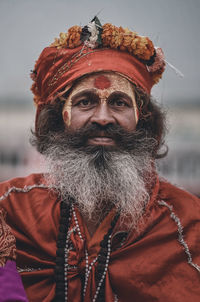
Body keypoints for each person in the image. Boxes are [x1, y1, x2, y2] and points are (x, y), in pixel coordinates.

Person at [0, 17, 200, 302]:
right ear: (59, 121)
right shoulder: (10, 211)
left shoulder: (189, 224)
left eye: (119, 102)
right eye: (85, 102)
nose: (103, 118)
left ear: (142, 121)